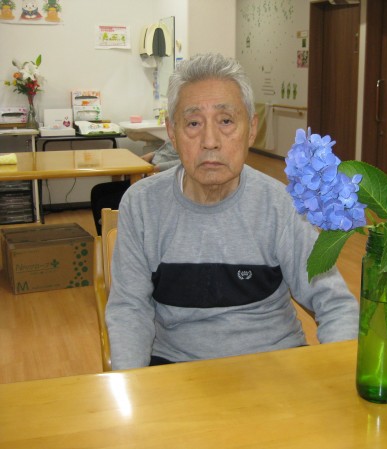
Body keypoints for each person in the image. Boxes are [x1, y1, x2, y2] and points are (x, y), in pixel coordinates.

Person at [105, 53, 359, 370]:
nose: (210, 141)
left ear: (251, 129)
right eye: (193, 123)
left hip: (274, 367)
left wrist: (340, 376)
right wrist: (131, 388)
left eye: (226, 121)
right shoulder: (142, 205)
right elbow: (130, 310)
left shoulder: (280, 205)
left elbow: (334, 303)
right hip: (176, 371)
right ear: (172, 132)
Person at [89, 140, 179, 235]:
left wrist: (154, 168)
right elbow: (166, 150)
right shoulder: (174, 134)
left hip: (159, 179)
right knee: (97, 191)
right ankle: (104, 239)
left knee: (104, 202)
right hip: (148, 175)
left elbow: (182, 163)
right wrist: (151, 155)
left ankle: (112, 238)